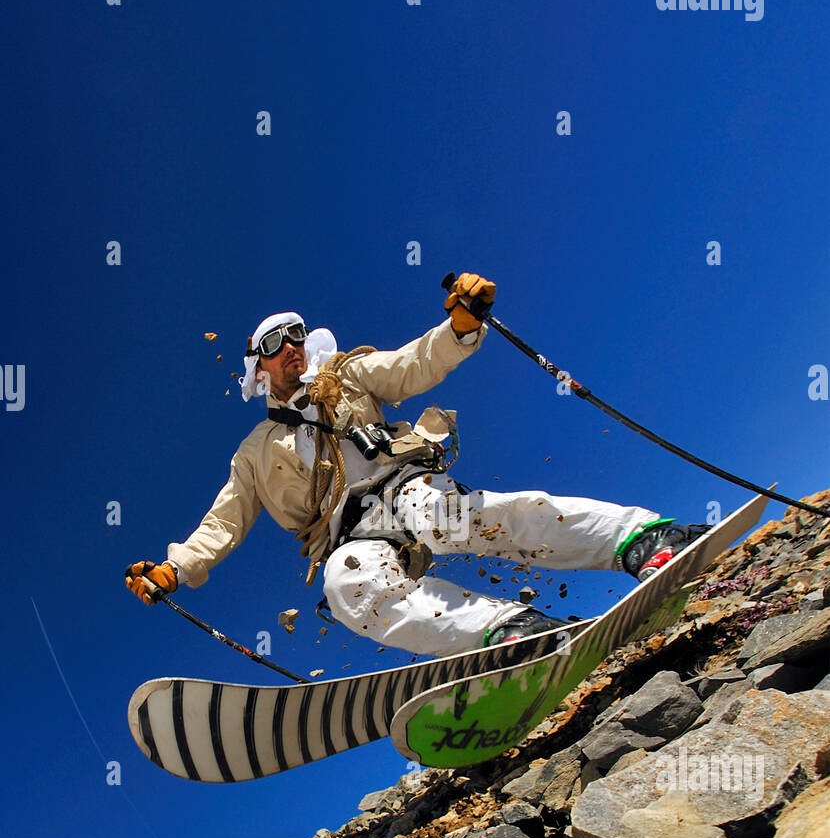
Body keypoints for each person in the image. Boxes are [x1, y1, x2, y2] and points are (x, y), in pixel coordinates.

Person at [126, 273, 707, 657]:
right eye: (276, 342)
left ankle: (643, 540)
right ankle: (508, 633)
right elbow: (223, 521)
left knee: (450, 516)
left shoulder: (348, 375)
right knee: (348, 586)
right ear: (259, 367)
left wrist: (460, 328)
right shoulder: (255, 450)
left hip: (403, 487)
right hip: (349, 534)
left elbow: (411, 366)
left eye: (297, 334)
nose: (293, 346)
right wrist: (177, 569)